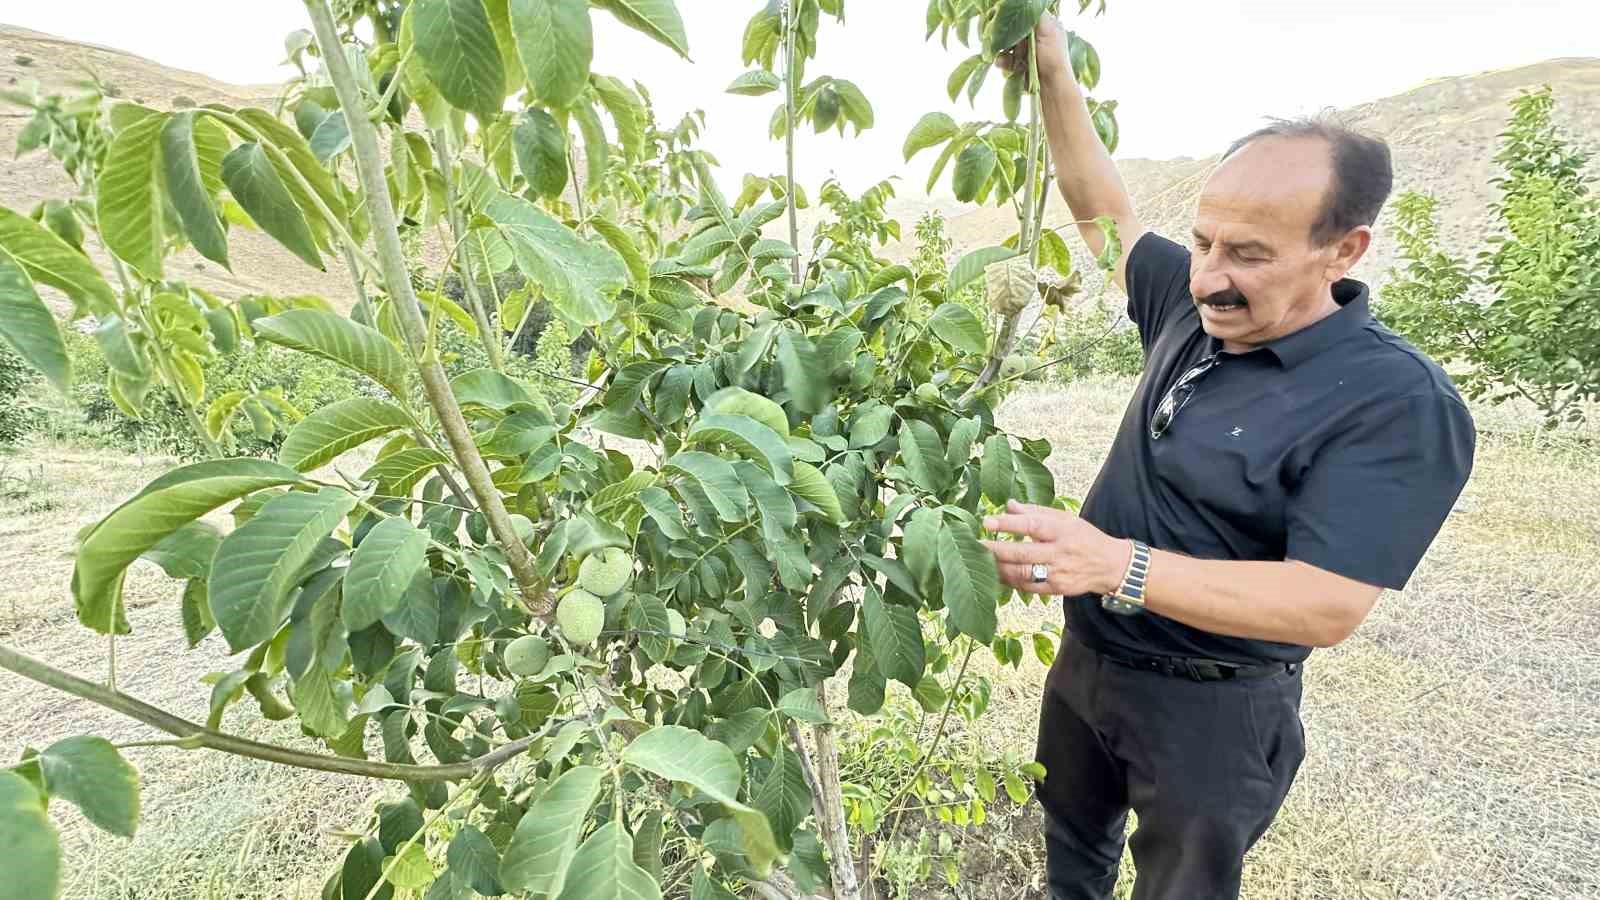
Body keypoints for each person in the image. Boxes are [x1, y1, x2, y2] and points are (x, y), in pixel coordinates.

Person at [982, 14, 1476, 900]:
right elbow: (1105, 209)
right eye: (1206, 240)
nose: (1210, 275)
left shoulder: (1396, 401)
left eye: (1248, 254)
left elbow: (1325, 603)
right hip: (1090, 665)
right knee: (1071, 859)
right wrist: (1053, 68)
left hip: (1214, 710)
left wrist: (1112, 564)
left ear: (1344, 249)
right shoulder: (1188, 298)